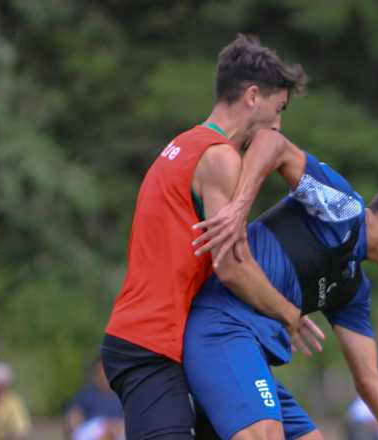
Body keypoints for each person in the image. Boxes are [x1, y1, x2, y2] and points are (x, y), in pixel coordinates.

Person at [101, 34, 325, 440]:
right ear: (253, 96)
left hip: (176, 344)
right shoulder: (220, 157)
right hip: (151, 344)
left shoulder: (182, 144)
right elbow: (233, 267)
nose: (278, 126)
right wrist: (289, 314)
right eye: (279, 109)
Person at [184, 128, 378, 440]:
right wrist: (239, 206)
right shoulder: (343, 209)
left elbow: (369, 379)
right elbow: (272, 142)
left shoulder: (353, 289)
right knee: (265, 435)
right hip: (221, 329)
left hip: (252, 357)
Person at [64, 360, 124, 440]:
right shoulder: (86, 394)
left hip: (117, 428)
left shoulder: (121, 394)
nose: (104, 375)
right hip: (93, 429)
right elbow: (74, 414)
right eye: (101, 372)